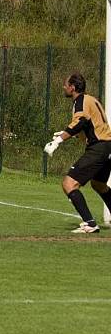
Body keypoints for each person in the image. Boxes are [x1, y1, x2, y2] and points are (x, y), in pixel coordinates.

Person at [44, 73, 111, 233]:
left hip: (99, 148)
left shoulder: (80, 101)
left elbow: (80, 122)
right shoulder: (91, 100)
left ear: (72, 87)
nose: (64, 87)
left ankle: (90, 223)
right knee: (99, 185)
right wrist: (68, 133)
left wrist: (57, 141)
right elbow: (87, 127)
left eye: (66, 84)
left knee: (69, 183)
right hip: (107, 146)